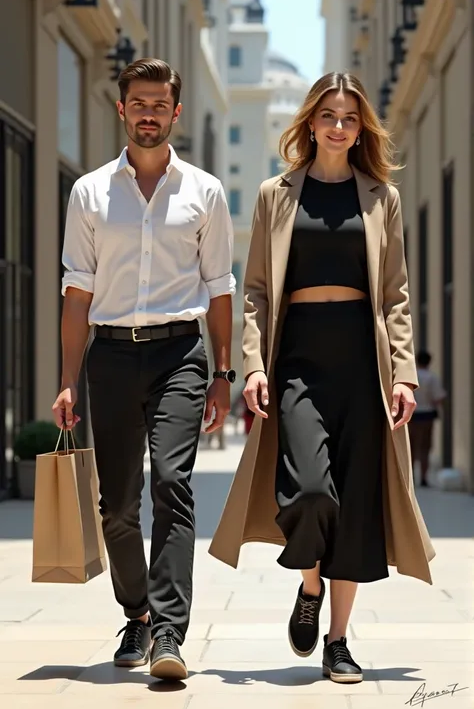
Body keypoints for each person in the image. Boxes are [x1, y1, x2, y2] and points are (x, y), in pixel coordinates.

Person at [208, 71, 435, 684]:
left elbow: (396, 297)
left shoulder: (380, 198)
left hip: (364, 365)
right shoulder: (274, 194)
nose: (339, 126)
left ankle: (338, 640)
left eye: (350, 118)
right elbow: (253, 290)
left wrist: (405, 374)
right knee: (310, 490)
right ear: (310, 122)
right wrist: (253, 366)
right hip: (298, 363)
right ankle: (309, 586)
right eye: (329, 115)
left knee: (356, 504)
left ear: (361, 128)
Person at [52, 58, 237, 682]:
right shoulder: (90, 192)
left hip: (181, 353)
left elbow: (218, 289)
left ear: (175, 112)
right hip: (109, 354)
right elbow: (76, 292)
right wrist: (68, 379)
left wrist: (222, 374)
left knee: (173, 486)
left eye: (160, 104)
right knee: (117, 506)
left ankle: (168, 631)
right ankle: (135, 613)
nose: (149, 113)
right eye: (139, 103)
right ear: (122, 109)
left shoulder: (205, 191)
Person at [409, 350, 446, 487]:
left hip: (411, 414)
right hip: (427, 415)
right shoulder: (432, 377)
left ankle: (410, 476)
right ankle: (423, 477)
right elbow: (438, 398)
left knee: (411, 447)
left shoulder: (412, 376)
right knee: (425, 447)